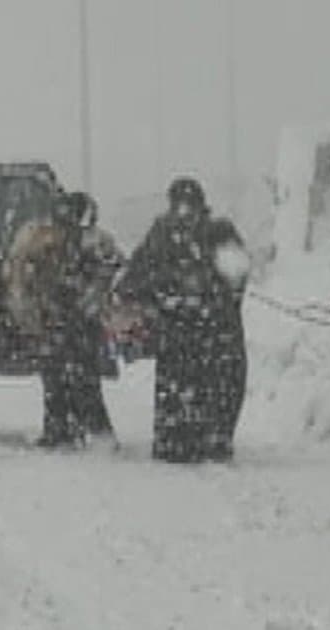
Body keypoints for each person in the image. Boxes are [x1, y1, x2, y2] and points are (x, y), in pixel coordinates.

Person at [112, 176, 249, 462]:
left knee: (180, 386)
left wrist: (154, 299)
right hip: (212, 331)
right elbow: (238, 274)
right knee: (219, 387)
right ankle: (211, 439)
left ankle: (178, 440)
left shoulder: (163, 233)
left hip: (181, 330)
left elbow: (135, 277)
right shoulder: (214, 231)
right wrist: (219, 303)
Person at [5, 191, 124, 449]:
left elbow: (20, 273)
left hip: (62, 319)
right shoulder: (85, 240)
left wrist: (32, 311)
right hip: (66, 319)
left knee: (64, 378)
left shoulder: (44, 239)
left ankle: (66, 430)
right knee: (74, 377)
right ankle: (83, 430)